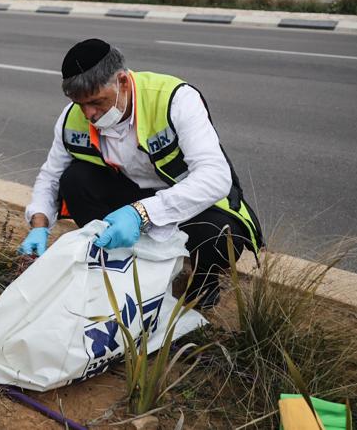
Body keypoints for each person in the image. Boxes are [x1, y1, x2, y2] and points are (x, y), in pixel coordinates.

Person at [18, 38, 263, 308]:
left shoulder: (175, 99)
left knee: (220, 235)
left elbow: (215, 177)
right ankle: (117, 265)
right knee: (75, 180)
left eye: (97, 102)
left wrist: (141, 213)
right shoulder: (72, 118)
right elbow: (51, 176)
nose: (89, 114)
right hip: (128, 195)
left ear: (122, 82)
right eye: (80, 104)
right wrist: (39, 225)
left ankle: (201, 284)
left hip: (184, 201)